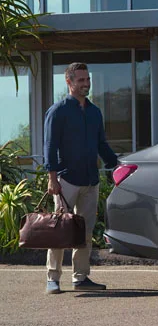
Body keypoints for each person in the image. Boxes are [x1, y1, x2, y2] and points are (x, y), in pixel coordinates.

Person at [43, 62, 118, 294]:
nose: (86, 84)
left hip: (90, 181)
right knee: (60, 231)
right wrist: (52, 178)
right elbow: (50, 146)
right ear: (69, 82)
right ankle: (52, 278)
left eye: (88, 80)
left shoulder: (95, 112)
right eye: (81, 80)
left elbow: (101, 145)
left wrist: (116, 166)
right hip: (65, 180)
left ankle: (81, 277)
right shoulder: (58, 111)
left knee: (84, 232)